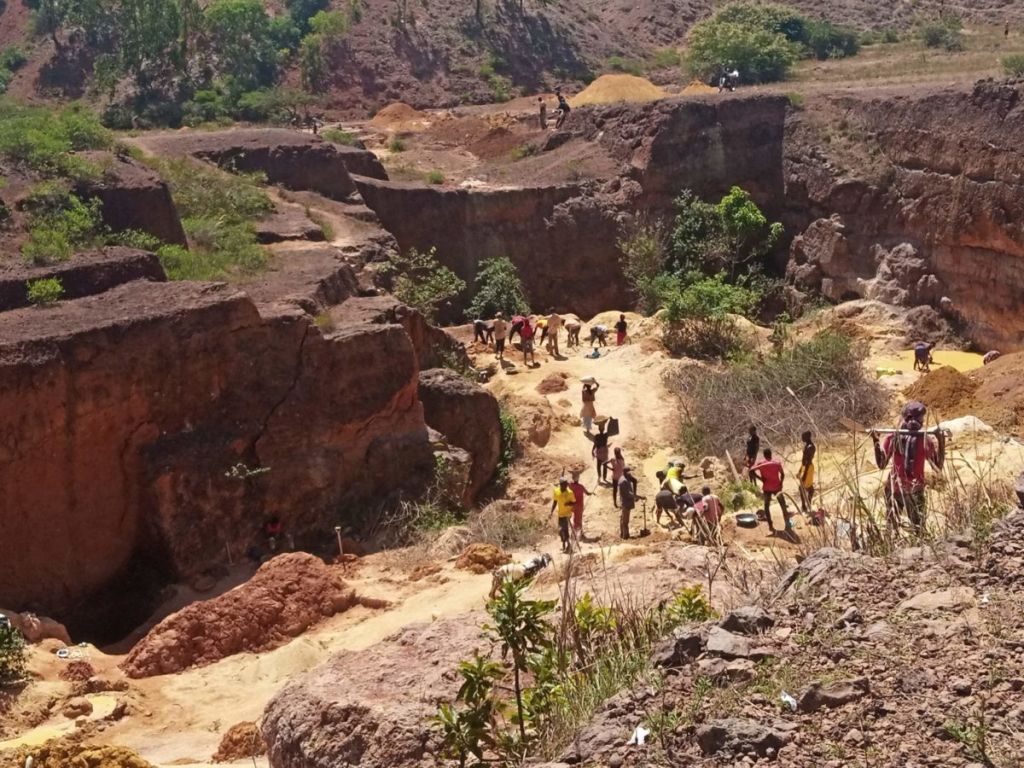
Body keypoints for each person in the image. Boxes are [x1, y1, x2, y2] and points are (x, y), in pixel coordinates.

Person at [871, 401, 945, 533]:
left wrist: (940, 440)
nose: (921, 422)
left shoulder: (921, 440)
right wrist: (876, 441)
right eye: (921, 418)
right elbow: (938, 466)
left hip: (906, 489)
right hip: (898, 489)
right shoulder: (898, 438)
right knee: (909, 529)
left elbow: (881, 464)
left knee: (911, 528)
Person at [751, 448, 790, 533]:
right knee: (783, 505)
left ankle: (771, 526)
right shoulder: (776, 463)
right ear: (771, 454)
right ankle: (787, 524)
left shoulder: (761, 464)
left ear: (764, 456)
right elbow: (782, 474)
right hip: (777, 487)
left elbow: (751, 471)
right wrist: (781, 483)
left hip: (767, 488)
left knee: (766, 506)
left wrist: (761, 479)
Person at [550, 477, 577, 553]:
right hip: (560, 514)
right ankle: (564, 543)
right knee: (561, 530)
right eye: (564, 485)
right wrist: (551, 512)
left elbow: (574, 502)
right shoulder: (556, 491)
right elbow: (555, 502)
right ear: (561, 485)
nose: (566, 486)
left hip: (567, 514)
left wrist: (568, 503)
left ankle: (568, 544)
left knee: (563, 529)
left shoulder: (570, 492)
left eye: (566, 484)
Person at [617, 466, 643, 539]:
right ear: (626, 473)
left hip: (626, 502)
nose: (631, 474)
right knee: (625, 521)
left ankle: (623, 534)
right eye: (629, 472)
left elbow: (634, 480)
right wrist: (638, 497)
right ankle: (625, 536)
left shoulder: (625, 479)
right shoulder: (623, 481)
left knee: (623, 519)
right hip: (626, 502)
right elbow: (628, 494)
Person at [568, 469, 592, 537]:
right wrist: (591, 493)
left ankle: (577, 533)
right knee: (578, 519)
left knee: (575, 519)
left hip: (572, 505)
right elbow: (587, 493)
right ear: (578, 478)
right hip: (579, 505)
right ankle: (575, 534)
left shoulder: (570, 485)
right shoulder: (581, 487)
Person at [798, 430, 817, 515]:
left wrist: (804, 475)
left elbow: (808, 461)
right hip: (805, 467)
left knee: (806, 487)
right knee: (804, 487)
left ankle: (806, 505)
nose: (802, 438)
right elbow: (803, 460)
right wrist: (800, 470)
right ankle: (805, 505)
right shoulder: (807, 446)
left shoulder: (811, 447)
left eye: (803, 436)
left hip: (808, 468)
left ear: (807, 437)